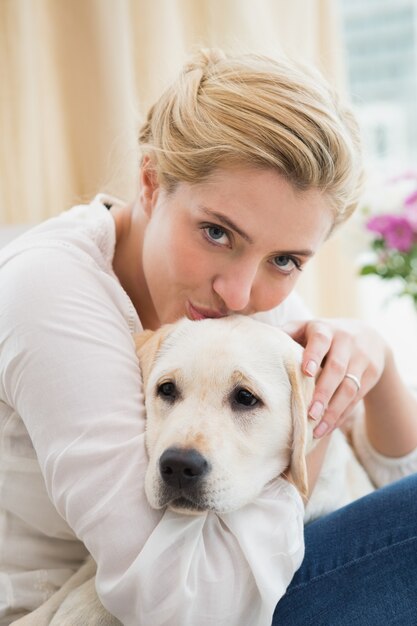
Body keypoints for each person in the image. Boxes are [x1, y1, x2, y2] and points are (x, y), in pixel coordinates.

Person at [0, 48, 416, 626]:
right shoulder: (49, 290)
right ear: (149, 182)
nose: (240, 293)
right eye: (217, 232)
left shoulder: (238, 307)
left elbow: (392, 479)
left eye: (287, 259)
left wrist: (377, 359)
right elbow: (177, 603)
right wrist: (308, 441)